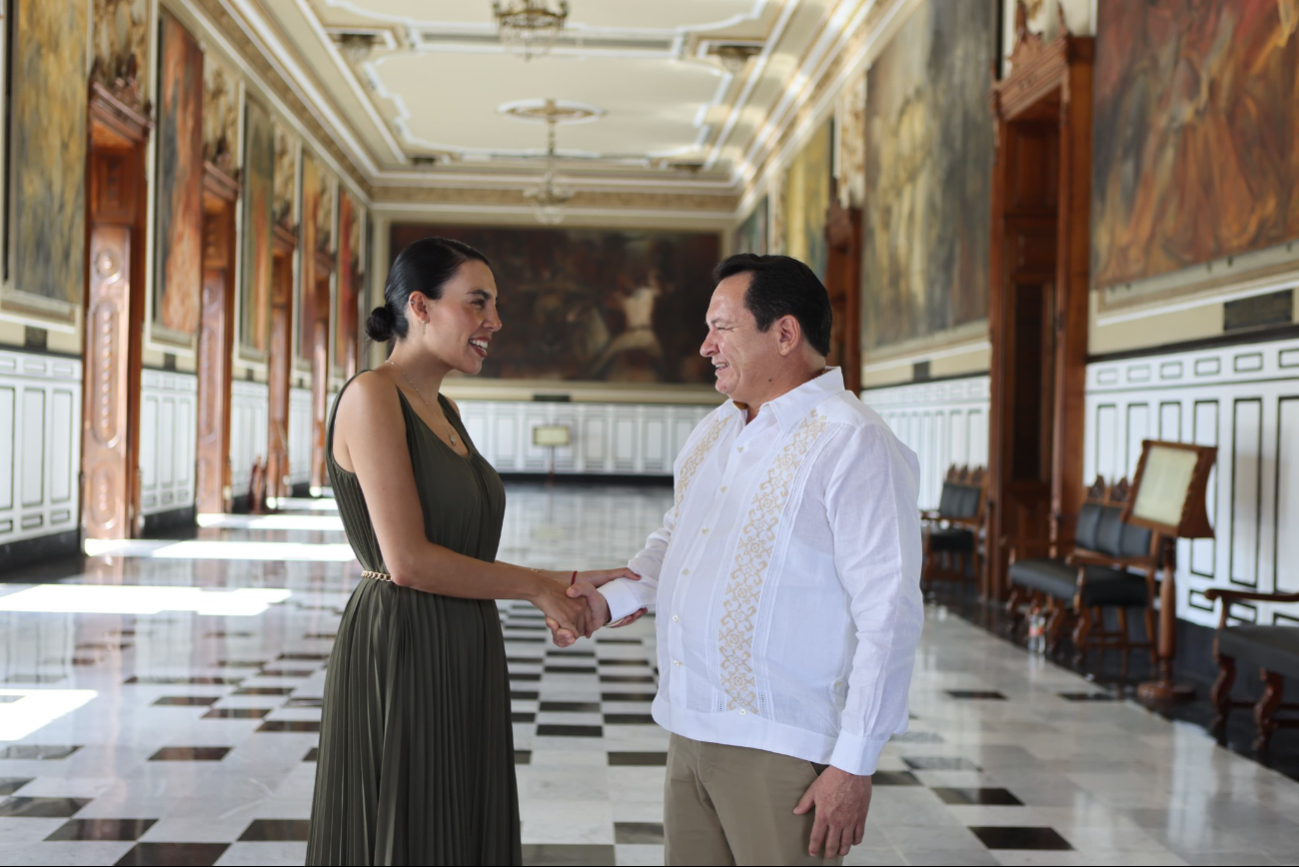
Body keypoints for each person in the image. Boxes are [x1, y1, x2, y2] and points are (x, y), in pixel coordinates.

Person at [564, 253, 924, 865]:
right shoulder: (714, 430)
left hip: (781, 745)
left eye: (722, 328)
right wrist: (610, 599)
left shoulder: (851, 440)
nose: (705, 346)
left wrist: (854, 765)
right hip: (690, 728)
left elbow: (888, 612)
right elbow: (677, 536)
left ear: (785, 334)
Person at [306, 237, 636, 865]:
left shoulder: (446, 408)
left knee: (457, 815)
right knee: (410, 825)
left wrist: (562, 578)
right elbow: (407, 561)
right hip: (402, 638)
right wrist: (538, 586)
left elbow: (460, 543)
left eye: (495, 306)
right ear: (420, 306)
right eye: (478, 303)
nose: (495, 322)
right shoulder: (372, 395)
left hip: (465, 634)